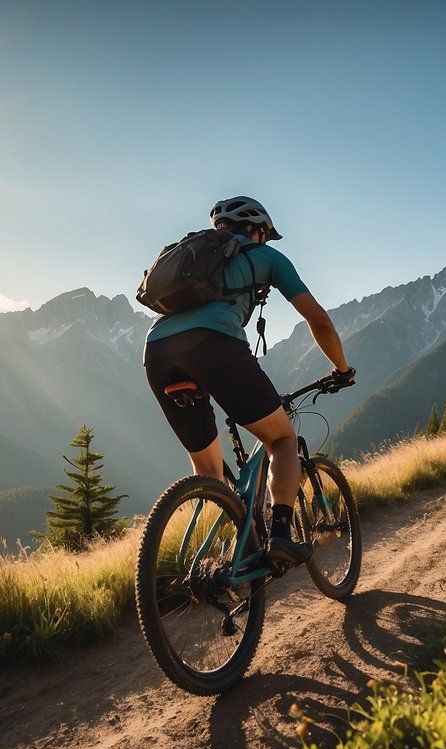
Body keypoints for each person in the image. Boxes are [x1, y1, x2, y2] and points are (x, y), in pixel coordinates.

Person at [143, 196, 355, 566]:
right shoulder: (268, 259)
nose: (266, 242)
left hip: (158, 351)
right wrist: (342, 368)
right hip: (215, 346)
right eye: (265, 235)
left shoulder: (194, 261)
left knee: (209, 471)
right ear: (256, 230)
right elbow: (318, 321)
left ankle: (228, 559)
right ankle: (279, 537)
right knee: (282, 438)